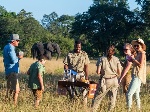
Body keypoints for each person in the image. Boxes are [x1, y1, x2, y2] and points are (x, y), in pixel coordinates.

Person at [91, 45, 122, 112]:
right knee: (112, 99)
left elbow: (98, 71)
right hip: (114, 80)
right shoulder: (116, 59)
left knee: (97, 98)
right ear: (113, 52)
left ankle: (93, 110)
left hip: (105, 80)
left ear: (106, 51)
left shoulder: (101, 59)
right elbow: (119, 72)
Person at [63, 40, 90, 105]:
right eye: (76, 47)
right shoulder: (69, 54)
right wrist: (67, 75)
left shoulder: (84, 54)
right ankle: (73, 104)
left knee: (84, 91)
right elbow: (65, 65)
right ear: (74, 46)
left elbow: (86, 66)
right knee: (71, 91)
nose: (78, 49)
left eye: (79, 47)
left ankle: (84, 107)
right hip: (72, 73)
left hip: (81, 74)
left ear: (81, 47)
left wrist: (87, 77)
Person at [126, 38, 146, 111]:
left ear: (141, 45)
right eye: (135, 46)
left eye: (137, 46)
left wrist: (133, 59)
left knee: (129, 94)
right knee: (136, 94)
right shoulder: (139, 53)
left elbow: (140, 65)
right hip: (136, 75)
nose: (136, 47)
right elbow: (136, 63)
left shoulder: (142, 53)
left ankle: (129, 109)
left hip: (137, 76)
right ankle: (138, 109)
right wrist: (131, 59)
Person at [3, 34, 23, 105]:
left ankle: (7, 103)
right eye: (17, 40)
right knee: (16, 90)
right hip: (12, 71)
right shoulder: (11, 48)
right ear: (13, 41)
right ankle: (13, 105)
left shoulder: (6, 47)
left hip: (8, 70)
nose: (18, 42)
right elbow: (13, 60)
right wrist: (19, 57)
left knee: (10, 89)